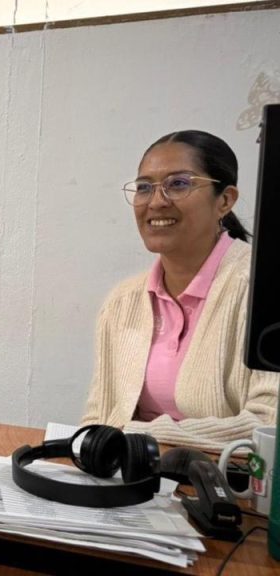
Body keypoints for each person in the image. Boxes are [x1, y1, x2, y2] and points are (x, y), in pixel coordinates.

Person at [81, 130, 279, 451]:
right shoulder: (122, 302)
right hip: (134, 473)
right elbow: (99, 418)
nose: (157, 201)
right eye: (144, 187)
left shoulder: (263, 290)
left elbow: (268, 424)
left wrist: (138, 435)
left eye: (178, 184)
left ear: (225, 200)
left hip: (227, 478)